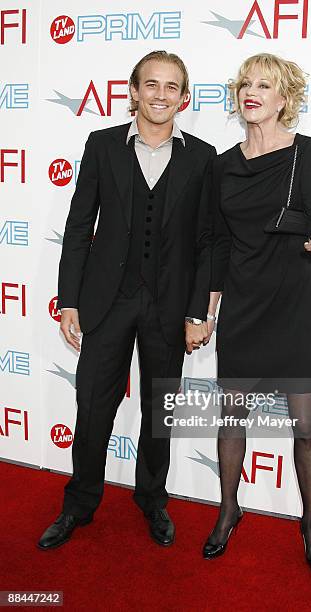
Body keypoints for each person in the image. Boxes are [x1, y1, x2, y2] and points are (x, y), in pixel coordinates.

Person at [38, 50, 215, 550]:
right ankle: (78, 505)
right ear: (133, 92)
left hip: (169, 304)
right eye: (150, 85)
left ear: (184, 97)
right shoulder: (101, 145)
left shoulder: (202, 157)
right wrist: (68, 299)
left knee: (160, 410)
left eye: (171, 86)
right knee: (93, 407)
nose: (160, 95)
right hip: (105, 301)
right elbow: (79, 227)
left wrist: (197, 310)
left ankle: (152, 502)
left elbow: (207, 241)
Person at [201, 53, 311, 572]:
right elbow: (218, 241)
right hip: (242, 300)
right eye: (246, 83)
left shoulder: (305, 152)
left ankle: (310, 521)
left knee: (305, 425)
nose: (252, 91)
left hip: (292, 298)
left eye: (265, 85)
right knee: (231, 417)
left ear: (286, 98)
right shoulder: (222, 164)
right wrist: (208, 306)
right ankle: (228, 510)